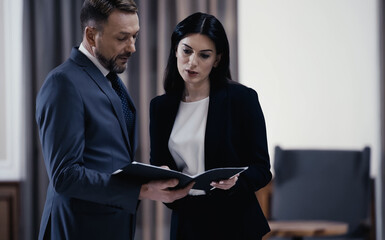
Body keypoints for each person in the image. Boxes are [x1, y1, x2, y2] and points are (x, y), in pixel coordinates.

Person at [35, 0, 193, 239]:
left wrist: (150, 177)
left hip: (113, 226)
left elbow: (107, 158)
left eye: (135, 36)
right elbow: (65, 176)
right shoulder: (63, 83)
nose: (132, 48)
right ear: (90, 35)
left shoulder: (110, 79)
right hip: (78, 230)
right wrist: (141, 189)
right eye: (122, 38)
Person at [149, 12, 272, 240]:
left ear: (216, 60)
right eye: (186, 51)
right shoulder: (160, 107)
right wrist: (161, 176)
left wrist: (237, 182)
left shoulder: (241, 99)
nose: (192, 62)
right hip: (186, 222)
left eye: (204, 55)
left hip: (234, 223)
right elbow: (158, 164)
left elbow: (262, 169)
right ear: (176, 49)